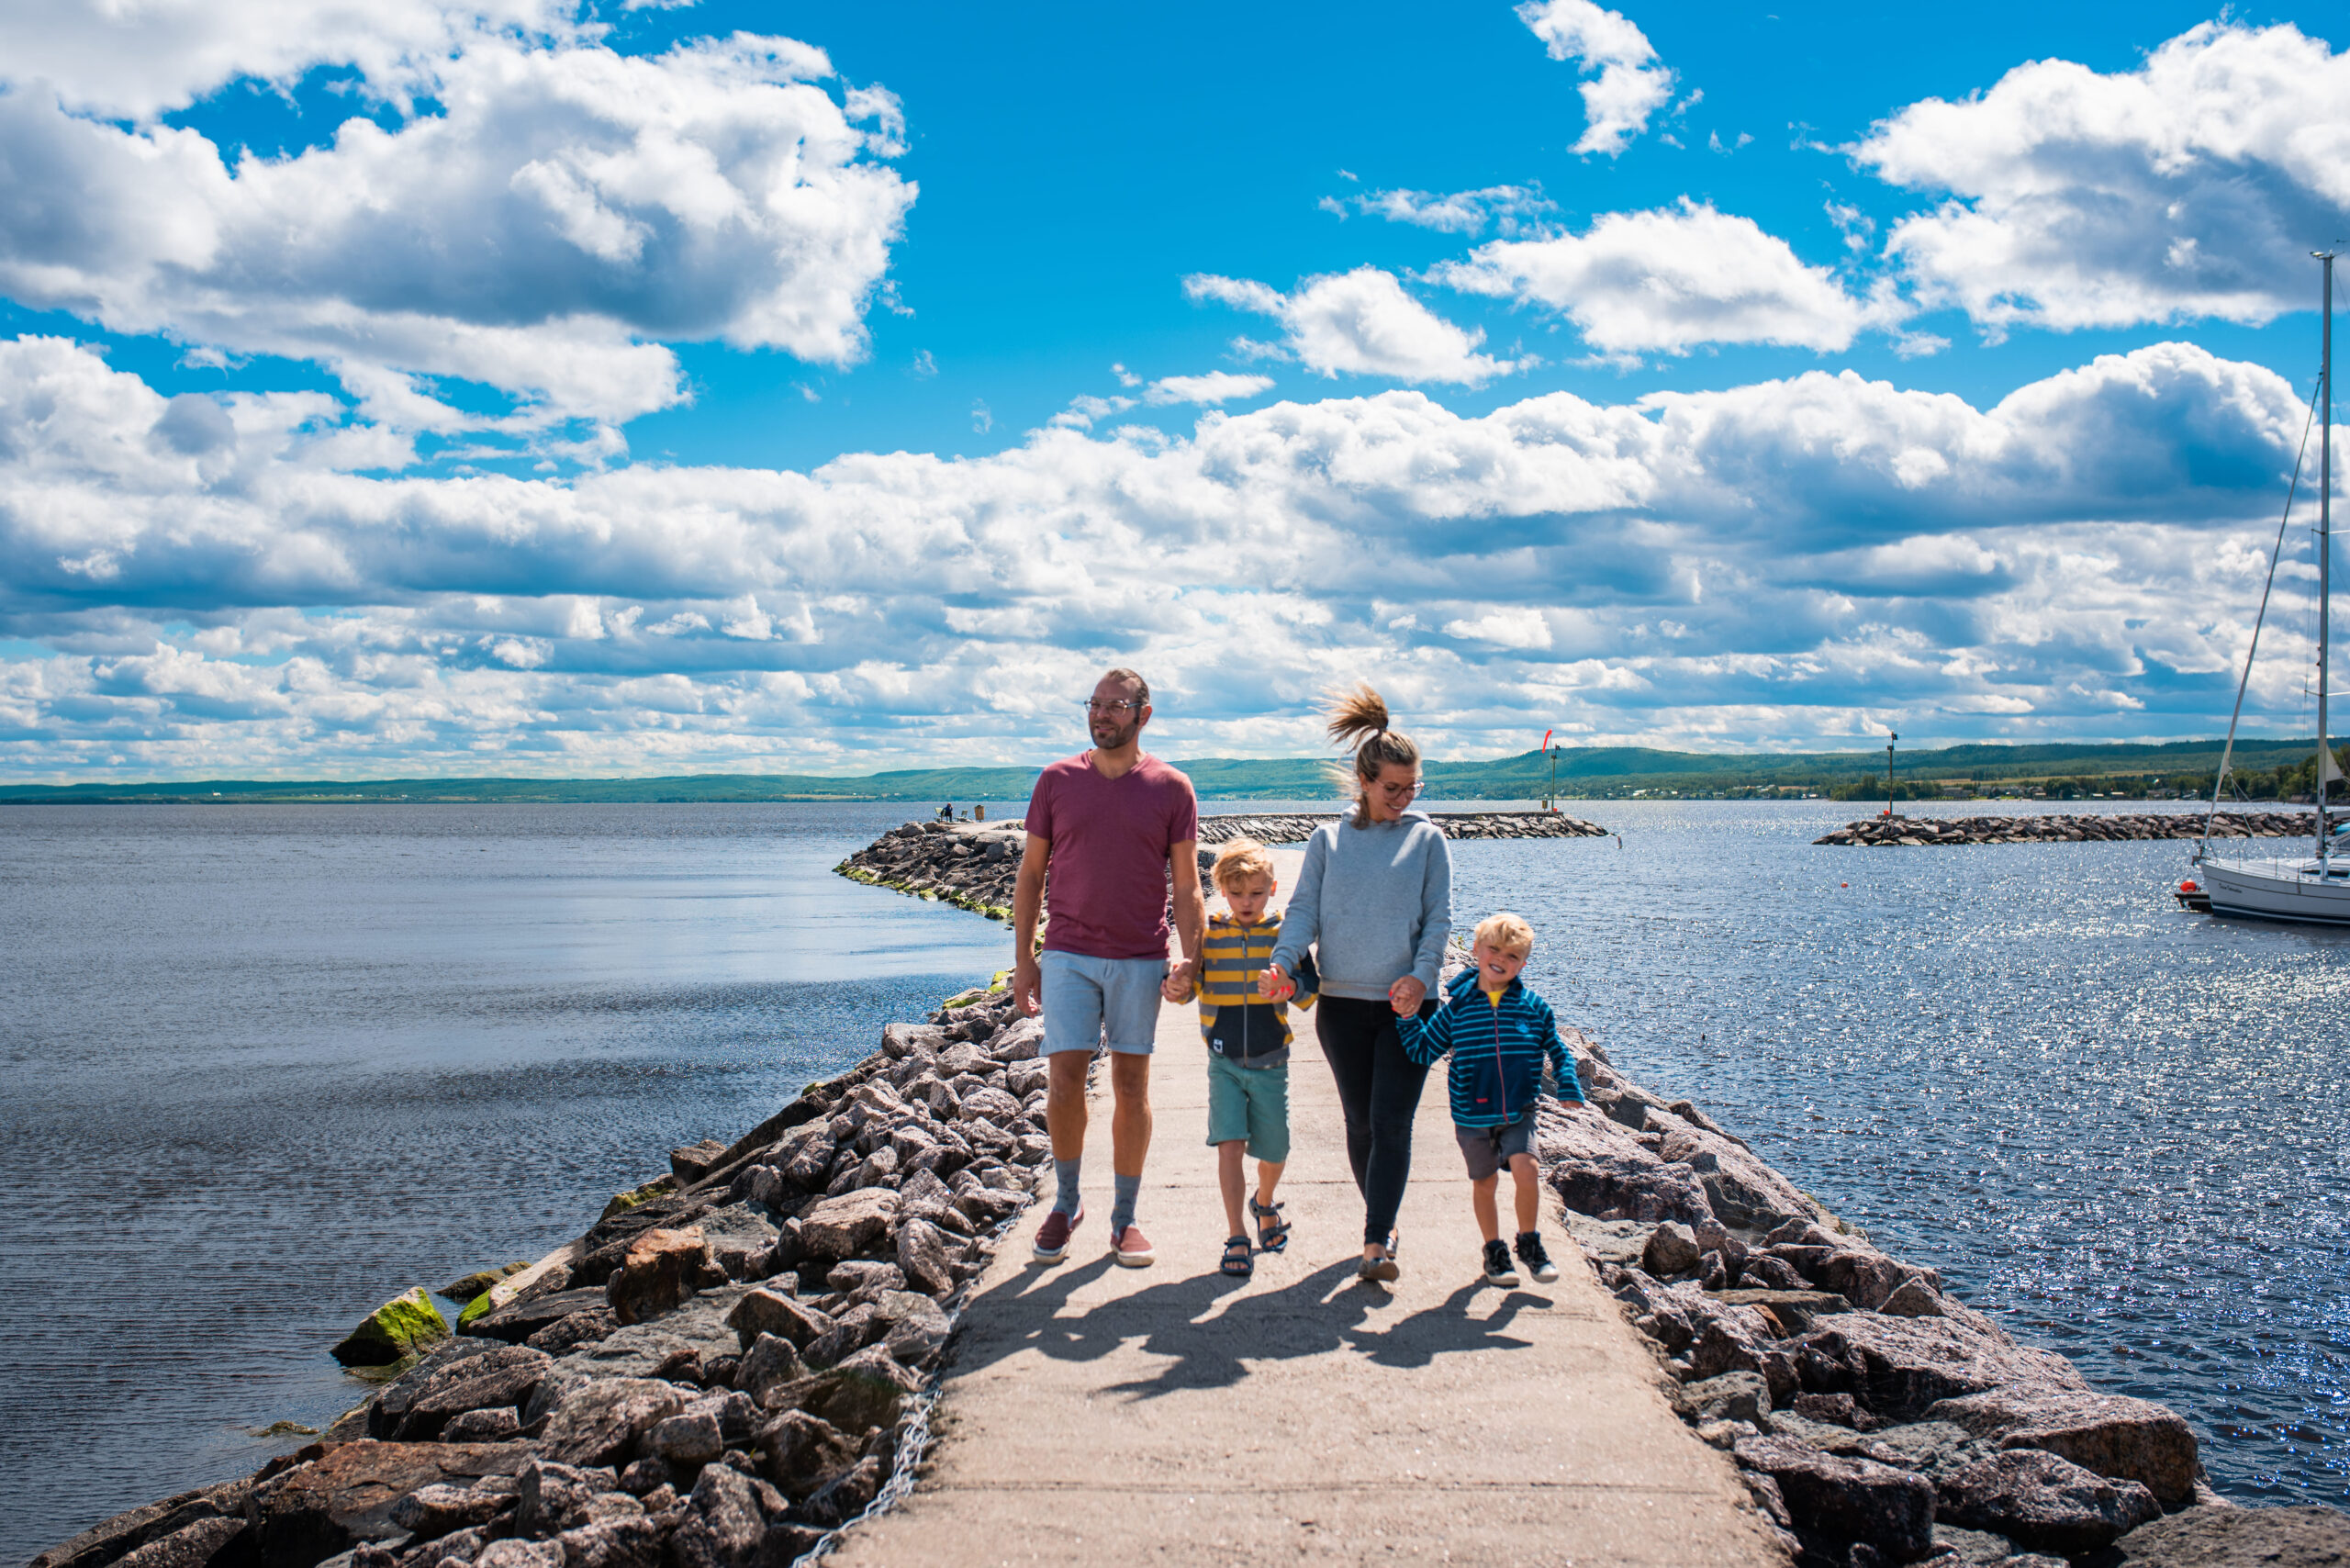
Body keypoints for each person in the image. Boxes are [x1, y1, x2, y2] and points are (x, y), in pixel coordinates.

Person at [1013, 668, 1203, 1268]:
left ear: (1143, 715)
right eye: (1095, 704)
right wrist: (1024, 960)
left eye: (1116, 706)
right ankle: (1067, 1204)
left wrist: (1190, 958)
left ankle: (1125, 1219)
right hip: (1067, 952)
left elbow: (1188, 883)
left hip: (1141, 957)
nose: (1102, 715)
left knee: (1130, 1085)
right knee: (1064, 1079)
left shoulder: (1172, 788)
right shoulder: (1056, 780)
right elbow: (1031, 875)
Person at [1261, 685, 1450, 1285]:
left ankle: (1375, 1240)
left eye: (1412, 787)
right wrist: (1284, 964)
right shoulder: (1328, 841)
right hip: (1341, 1008)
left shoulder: (1428, 840)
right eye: (1392, 788)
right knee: (1362, 1124)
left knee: (1392, 1122)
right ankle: (1384, 1223)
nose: (1403, 798)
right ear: (1364, 781)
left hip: (1410, 1012)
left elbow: (1438, 920)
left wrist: (1421, 980)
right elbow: (1303, 912)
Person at [1395, 912, 1584, 1287]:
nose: (1501, 959)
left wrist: (1568, 1084)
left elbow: (1559, 1051)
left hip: (1519, 1109)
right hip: (1471, 1113)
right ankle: (1494, 1252)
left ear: (1523, 963)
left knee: (1527, 1168)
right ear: (1477, 951)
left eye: (1513, 956)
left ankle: (1529, 1244)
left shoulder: (1533, 1008)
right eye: (1494, 950)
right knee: (1485, 1183)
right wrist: (1406, 1017)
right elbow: (1422, 1050)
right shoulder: (1459, 1008)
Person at [1175, 837, 1317, 1279]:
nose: (1246, 902)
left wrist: (1288, 988)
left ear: (1272, 888)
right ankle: (1236, 1233)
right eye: (1237, 893)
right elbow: (1190, 987)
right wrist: (1176, 986)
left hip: (1272, 1059)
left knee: (1276, 1150)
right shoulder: (1210, 933)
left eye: (1256, 892)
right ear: (1221, 890)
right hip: (1224, 1061)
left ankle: (1264, 1201)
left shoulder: (1283, 937)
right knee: (1230, 1146)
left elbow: (1311, 991)